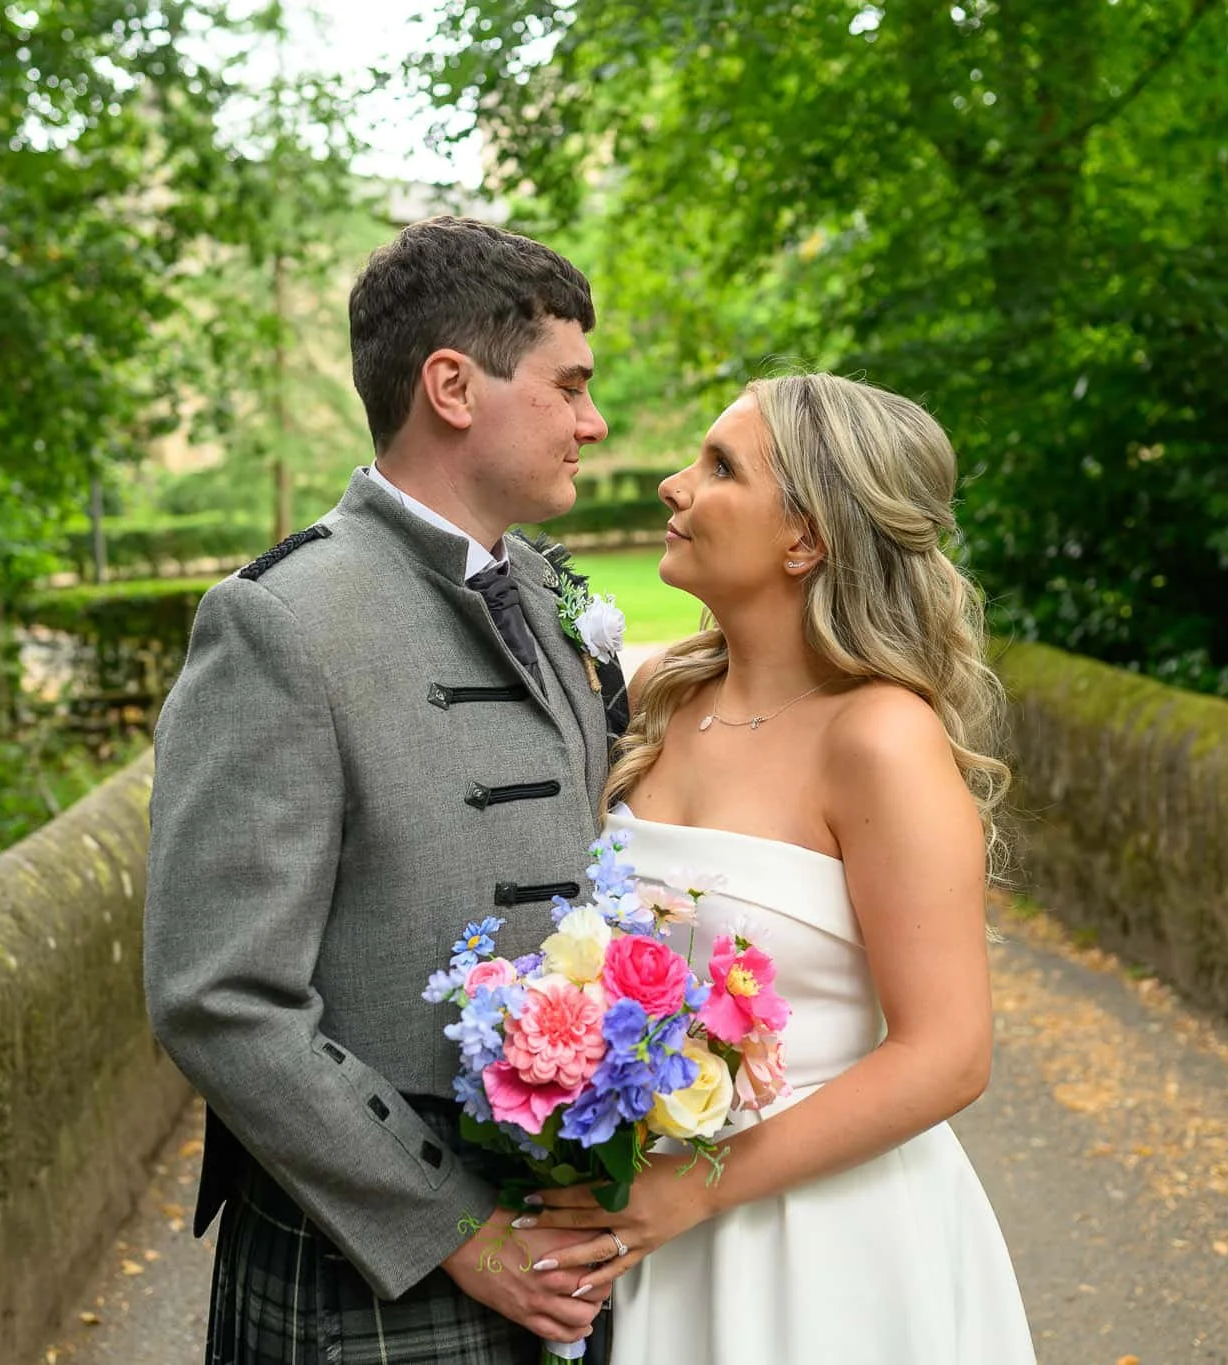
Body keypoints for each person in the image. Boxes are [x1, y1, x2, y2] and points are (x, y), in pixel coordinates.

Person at [144, 216, 632, 1363]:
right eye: (569, 387)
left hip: (563, 1230)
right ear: (452, 387)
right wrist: (453, 1226)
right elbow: (218, 994)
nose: (591, 423)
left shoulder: (543, 588)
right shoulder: (278, 623)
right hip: (371, 1264)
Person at [523, 372, 1036, 1362]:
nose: (673, 485)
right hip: (655, 1234)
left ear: (805, 539)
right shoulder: (654, 700)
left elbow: (946, 1052)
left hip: (827, 1245)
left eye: (718, 467)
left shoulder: (880, 739)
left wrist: (692, 1187)